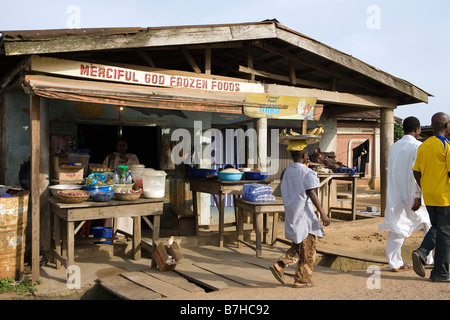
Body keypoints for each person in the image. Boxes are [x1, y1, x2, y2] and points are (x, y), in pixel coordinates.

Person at [270, 140, 330, 288]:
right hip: (305, 216)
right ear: (304, 154)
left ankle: (281, 264)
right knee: (308, 249)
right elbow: (312, 193)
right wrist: (323, 213)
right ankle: (301, 280)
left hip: (292, 213)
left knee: (299, 245)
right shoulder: (307, 172)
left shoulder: (286, 171)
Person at [378, 116, 433, 272]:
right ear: (417, 130)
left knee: (397, 226)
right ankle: (427, 258)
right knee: (428, 223)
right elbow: (417, 172)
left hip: (396, 193)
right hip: (413, 193)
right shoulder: (418, 146)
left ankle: (395, 263)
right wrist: (417, 196)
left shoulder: (394, 146)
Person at [412, 112, 450, 282]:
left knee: (437, 227)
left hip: (430, 196)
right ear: (447, 125)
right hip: (445, 197)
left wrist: (425, 188)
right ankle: (440, 272)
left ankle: (421, 252)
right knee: (445, 234)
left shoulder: (423, 146)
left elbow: (416, 171)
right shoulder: (446, 146)